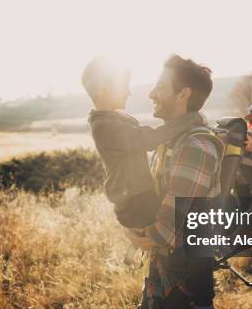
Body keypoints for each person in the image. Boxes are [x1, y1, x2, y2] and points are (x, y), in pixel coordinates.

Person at [126, 55, 242, 309]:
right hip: (163, 272)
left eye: (160, 87)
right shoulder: (173, 141)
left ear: (183, 94)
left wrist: (131, 231)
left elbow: (164, 231)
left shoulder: (194, 147)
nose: (151, 93)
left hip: (178, 278)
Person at [82, 56, 204, 229]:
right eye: (124, 86)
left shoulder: (113, 119)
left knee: (163, 234)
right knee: (168, 231)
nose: (128, 92)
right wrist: (189, 119)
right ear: (105, 88)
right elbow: (148, 139)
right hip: (135, 202)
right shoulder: (104, 126)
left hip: (138, 196)